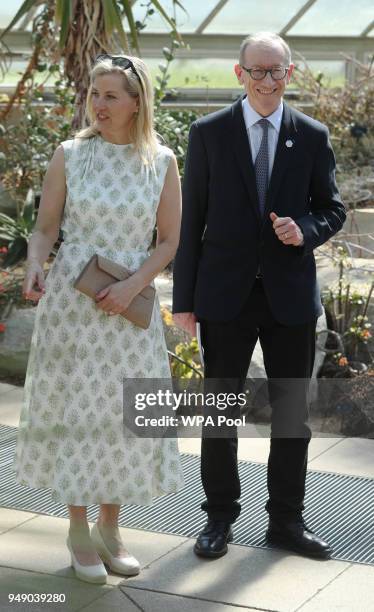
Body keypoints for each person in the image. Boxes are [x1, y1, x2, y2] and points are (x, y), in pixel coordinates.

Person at [172, 32, 346, 560]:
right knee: (220, 414)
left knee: (293, 415)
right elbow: (191, 220)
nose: (267, 81)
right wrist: (184, 303)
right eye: (257, 71)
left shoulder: (312, 135)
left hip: (290, 298)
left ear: (289, 74)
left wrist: (306, 229)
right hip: (224, 296)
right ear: (238, 73)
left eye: (277, 72)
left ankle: (287, 522)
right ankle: (219, 519)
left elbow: (332, 208)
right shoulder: (208, 134)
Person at [13, 53, 184, 584]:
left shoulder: (162, 161)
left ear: (137, 104)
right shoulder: (70, 154)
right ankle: (79, 529)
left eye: (112, 96)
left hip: (129, 306)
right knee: (77, 411)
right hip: (72, 305)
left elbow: (170, 241)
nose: (99, 104)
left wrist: (133, 284)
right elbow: (45, 228)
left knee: (119, 417)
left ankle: (112, 530)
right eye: (95, 94)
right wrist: (37, 262)